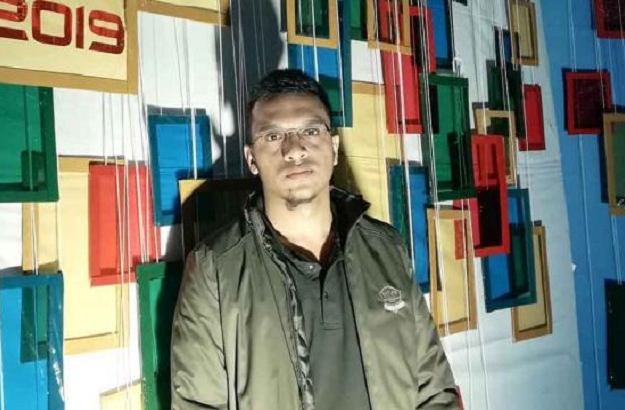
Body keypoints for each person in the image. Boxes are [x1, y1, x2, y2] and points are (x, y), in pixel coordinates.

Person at [170, 69, 458, 410]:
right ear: (252, 159)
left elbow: (435, 391)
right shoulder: (215, 268)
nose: (294, 150)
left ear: (333, 148)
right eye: (273, 136)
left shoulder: (386, 247)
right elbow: (196, 403)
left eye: (310, 130)